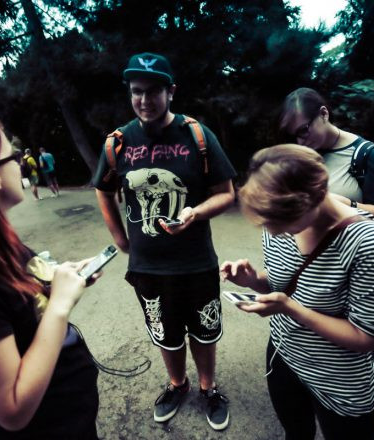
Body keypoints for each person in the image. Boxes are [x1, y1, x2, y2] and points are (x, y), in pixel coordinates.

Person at [92, 52, 236, 430]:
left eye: (153, 91)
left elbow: (226, 193)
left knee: (204, 331)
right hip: (148, 266)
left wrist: (196, 212)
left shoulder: (197, 135)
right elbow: (103, 190)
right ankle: (177, 384)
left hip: (196, 261)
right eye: (136, 91)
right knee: (165, 334)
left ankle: (208, 387)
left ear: (171, 92)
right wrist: (121, 239)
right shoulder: (118, 142)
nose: (144, 100)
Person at [221, 144, 374, 440]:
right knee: (296, 433)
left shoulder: (370, 245)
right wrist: (253, 280)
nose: (271, 232)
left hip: (341, 383)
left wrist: (291, 308)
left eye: (278, 224)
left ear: (311, 201)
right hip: (284, 355)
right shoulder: (279, 217)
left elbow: (365, 338)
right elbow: (280, 283)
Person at [0, 113, 101, 439]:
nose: (21, 163)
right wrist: (60, 304)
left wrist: (61, 280)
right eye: (14, 157)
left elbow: (16, 303)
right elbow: (12, 409)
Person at [279, 87, 374, 226]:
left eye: (304, 130)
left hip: (353, 246)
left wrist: (345, 203)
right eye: (295, 135)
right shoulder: (303, 155)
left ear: (324, 114)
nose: (300, 141)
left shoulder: (369, 155)